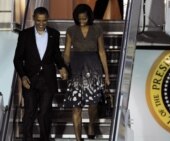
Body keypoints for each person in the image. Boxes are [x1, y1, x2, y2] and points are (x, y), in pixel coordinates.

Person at [13, 7, 68, 141]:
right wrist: (23, 76)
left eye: (44, 21)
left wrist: (62, 67)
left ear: (47, 19)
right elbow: (18, 59)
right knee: (30, 112)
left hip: (48, 80)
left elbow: (56, 55)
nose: (41, 24)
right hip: (30, 80)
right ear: (33, 18)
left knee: (45, 113)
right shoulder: (25, 35)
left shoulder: (54, 34)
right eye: (38, 21)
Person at [63, 4, 110, 141]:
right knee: (76, 107)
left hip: (93, 67)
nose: (82, 21)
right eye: (79, 19)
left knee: (93, 104)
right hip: (76, 68)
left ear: (89, 16)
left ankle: (91, 124)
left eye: (84, 18)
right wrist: (63, 67)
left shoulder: (97, 29)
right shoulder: (71, 30)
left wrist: (106, 74)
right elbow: (66, 52)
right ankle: (78, 138)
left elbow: (101, 51)